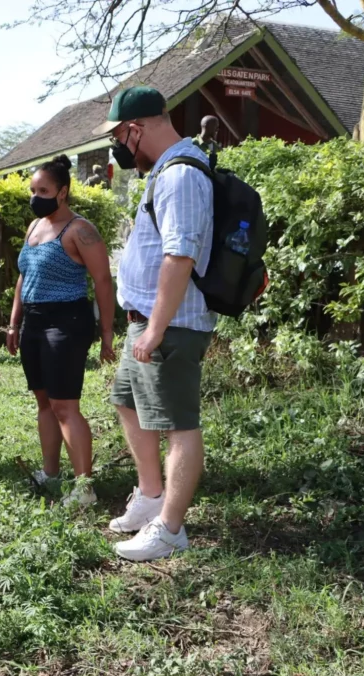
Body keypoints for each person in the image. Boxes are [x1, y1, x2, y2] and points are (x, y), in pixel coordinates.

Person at [94, 86, 215, 561]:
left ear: (135, 128)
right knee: (127, 400)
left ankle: (170, 529)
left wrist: (157, 329)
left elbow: (179, 254)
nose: (118, 147)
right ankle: (150, 495)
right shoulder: (165, 170)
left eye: (118, 136)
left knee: (178, 425)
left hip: (170, 324)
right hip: (145, 319)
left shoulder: (182, 175)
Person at [6, 154, 116, 507]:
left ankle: (85, 488)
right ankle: (50, 472)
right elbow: (24, 276)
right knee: (43, 401)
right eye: (33, 190)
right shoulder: (34, 227)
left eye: (44, 190)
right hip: (34, 322)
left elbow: (102, 281)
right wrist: (14, 322)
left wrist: (107, 333)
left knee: (64, 405)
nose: (36, 196)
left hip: (67, 321)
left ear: (64, 192)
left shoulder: (80, 230)